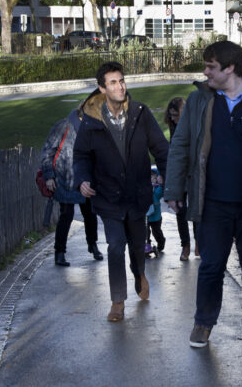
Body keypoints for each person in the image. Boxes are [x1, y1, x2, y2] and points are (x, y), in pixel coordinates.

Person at [164, 40, 242, 348]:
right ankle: (203, 323)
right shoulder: (200, 100)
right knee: (212, 266)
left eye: (211, 66)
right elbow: (181, 145)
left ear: (230, 68)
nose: (205, 72)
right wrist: (174, 189)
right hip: (213, 203)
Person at [73, 61, 169, 322]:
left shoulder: (140, 113)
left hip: (137, 194)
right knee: (115, 245)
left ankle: (139, 274)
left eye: (122, 80)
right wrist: (82, 179)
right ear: (102, 88)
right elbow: (81, 155)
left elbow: (161, 148)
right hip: (107, 196)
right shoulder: (91, 121)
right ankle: (118, 300)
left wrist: (167, 175)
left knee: (137, 245)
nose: (120, 86)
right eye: (113, 82)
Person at [39, 109, 102, 266]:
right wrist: (49, 176)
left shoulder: (93, 129)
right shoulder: (63, 126)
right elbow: (48, 152)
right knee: (66, 215)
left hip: (86, 179)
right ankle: (59, 252)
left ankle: (93, 245)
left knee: (90, 214)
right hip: (64, 179)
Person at [164, 97, 197, 261]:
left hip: (193, 172)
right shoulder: (173, 126)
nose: (172, 118)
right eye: (170, 115)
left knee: (196, 209)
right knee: (180, 212)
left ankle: (199, 243)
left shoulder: (192, 124)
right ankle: (186, 245)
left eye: (175, 115)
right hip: (180, 175)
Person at [145, 166, 165, 256]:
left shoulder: (157, 189)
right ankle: (147, 247)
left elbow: (159, 194)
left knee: (156, 231)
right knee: (146, 232)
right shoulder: (145, 188)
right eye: (149, 177)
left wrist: (159, 185)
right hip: (146, 216)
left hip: (156, 216)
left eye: (153, 177)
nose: (151, 179)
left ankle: (161, 243)